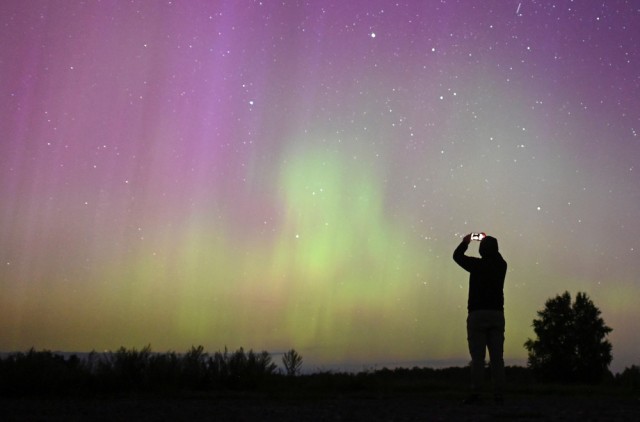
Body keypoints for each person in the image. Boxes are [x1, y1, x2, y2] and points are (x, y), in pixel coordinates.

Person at [453, 233, 507, 404]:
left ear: (482, 250)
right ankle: (498, 394)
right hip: (496, 314)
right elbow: (495, 255)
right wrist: (488, 239)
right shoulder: (502, 265)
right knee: (497, 358)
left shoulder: (476, 265)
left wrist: (467, 241)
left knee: (478, 358)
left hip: (477, 314)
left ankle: (476, 393)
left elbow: (457, 256)